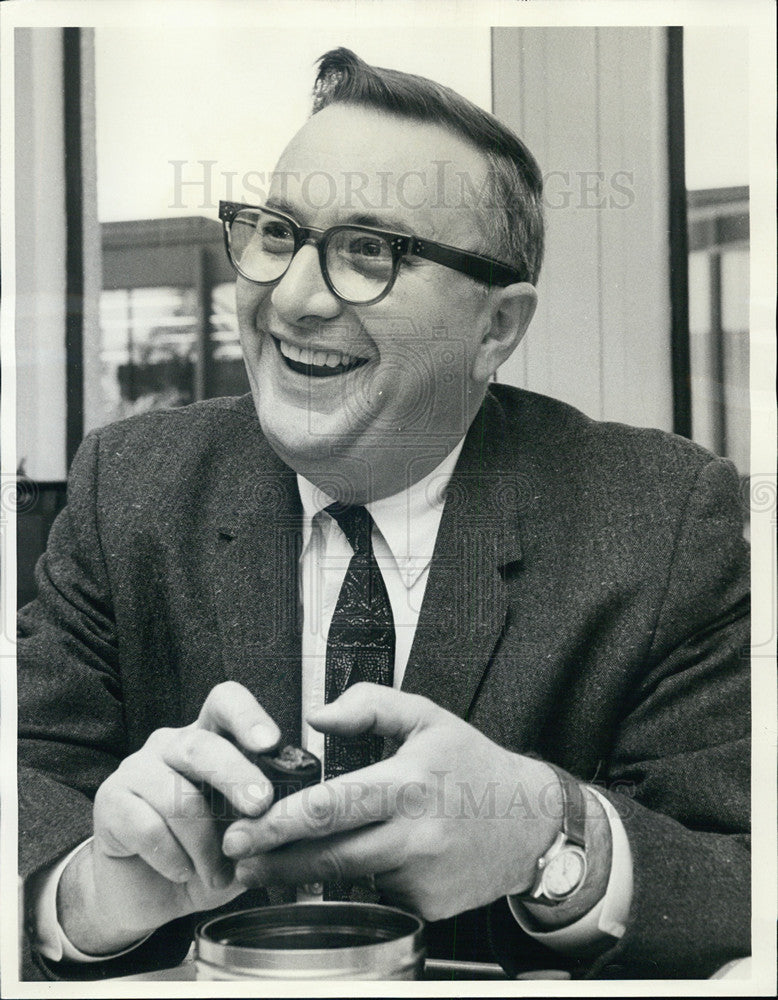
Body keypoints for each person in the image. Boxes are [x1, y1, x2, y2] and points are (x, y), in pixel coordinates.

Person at [18, 48, 749, 981]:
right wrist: (87, 893)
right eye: (278, 235)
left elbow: (742, 869)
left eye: (371, 252)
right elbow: (25, 782)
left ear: (497, 329)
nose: (292, 298)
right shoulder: (131, 485)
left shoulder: (659, 518)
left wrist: (552, 834)